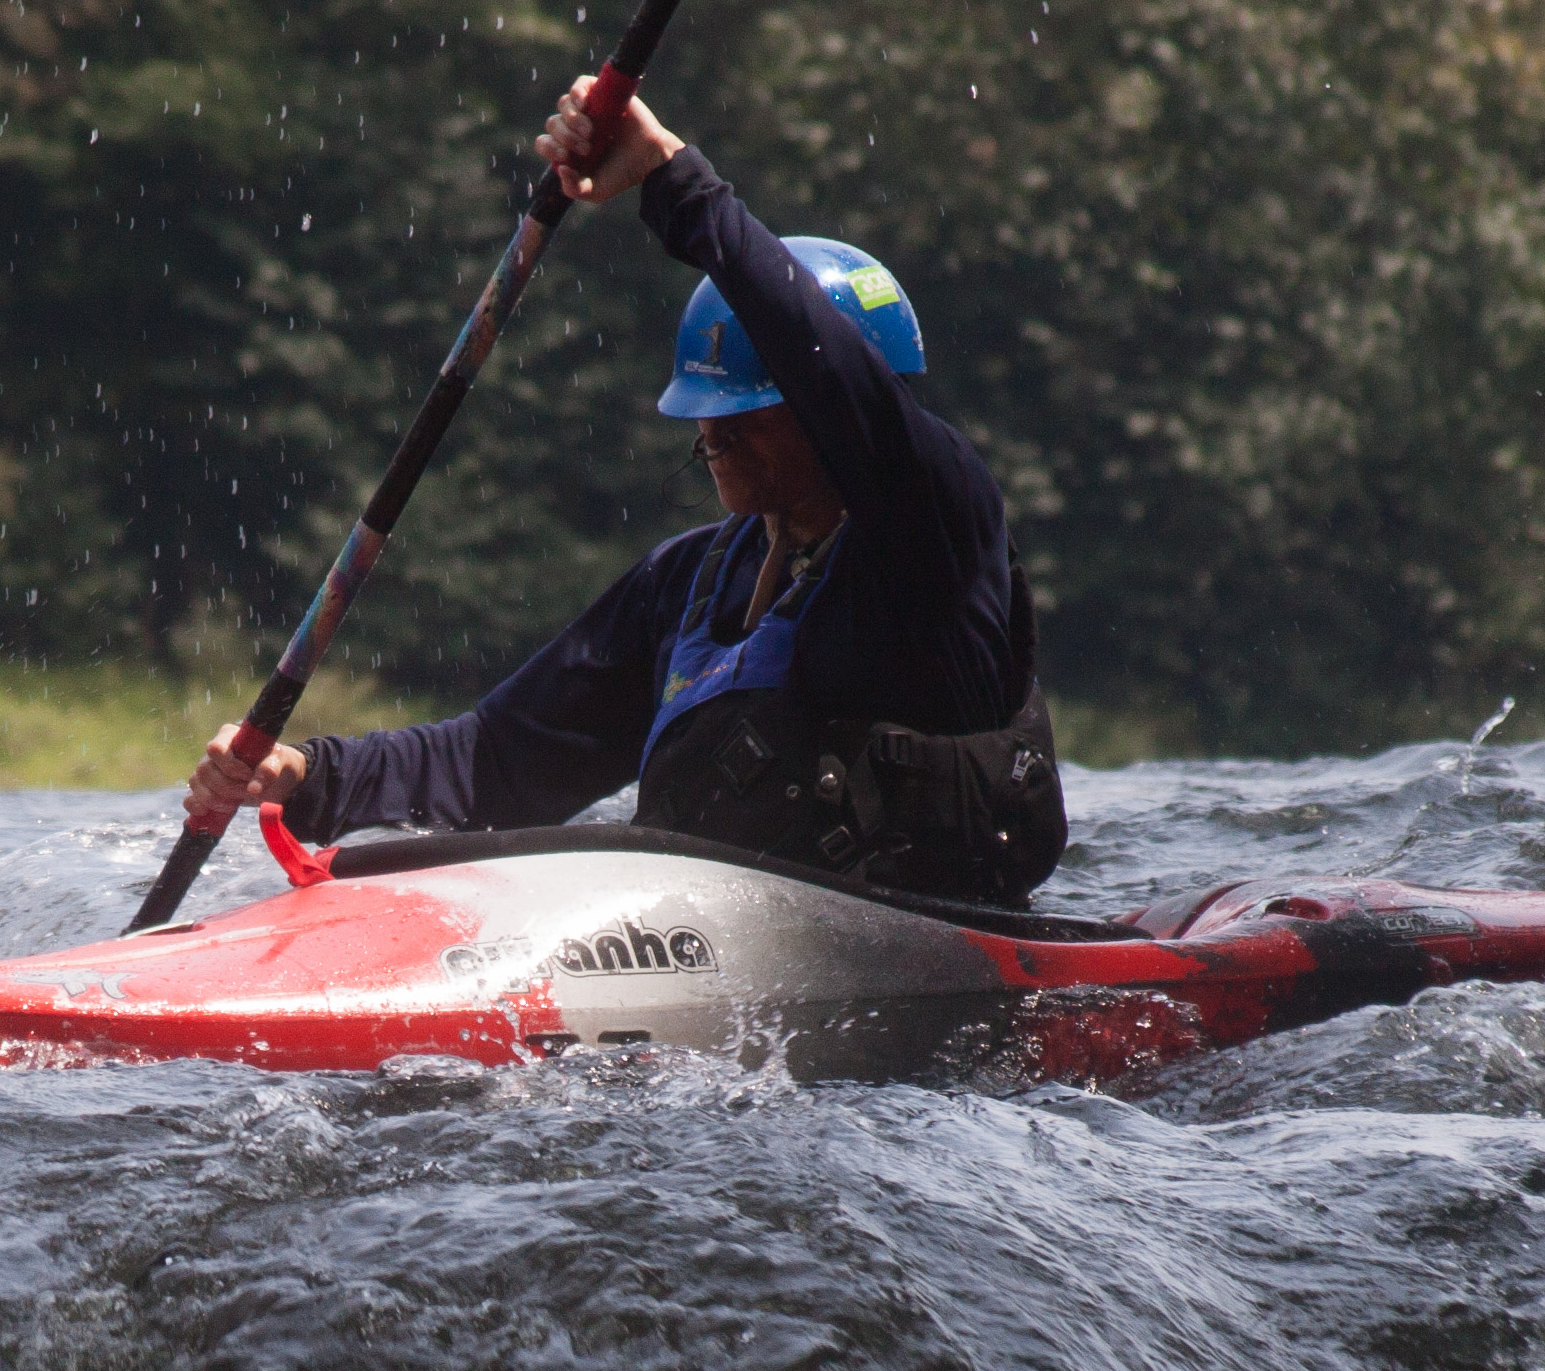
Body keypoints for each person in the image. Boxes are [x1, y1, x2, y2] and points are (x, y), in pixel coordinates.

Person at [182, 91, 1064, 907]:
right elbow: (499, 762)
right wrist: (309, 776)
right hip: (720, 959)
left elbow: (827, 369)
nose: (714, 430)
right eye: (708, 407)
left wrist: (675, 179)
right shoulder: (686, 585)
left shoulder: (932, 530)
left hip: (931, 966)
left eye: (750, 410)